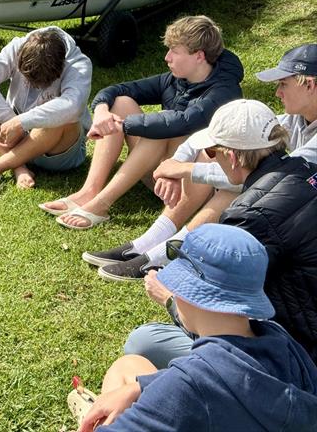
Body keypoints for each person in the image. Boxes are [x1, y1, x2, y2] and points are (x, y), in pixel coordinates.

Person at [88, 42, 317, 280]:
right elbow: (203, 136)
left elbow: (277, 179)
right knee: (213, 155)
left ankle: (165, 252)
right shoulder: (297, 119)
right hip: (289, 214)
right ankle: (151, 244)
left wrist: (185, 170)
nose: (277, 93)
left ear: (309, 85)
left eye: (283, 84)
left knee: (240, 179)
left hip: (300, 227)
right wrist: (175, 165)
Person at [123, 99, 317, 367]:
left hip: (295, 358)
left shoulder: (250, 217)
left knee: (144, 341)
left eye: (213, 153)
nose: (212, 159)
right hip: (302, 327)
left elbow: (220, 314)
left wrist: (168, 298)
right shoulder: (307, 172)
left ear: (234, 157)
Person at [71, 224, 317, 432]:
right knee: (128, 366)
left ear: (187, 292)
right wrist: (140, 387)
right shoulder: (280, 340)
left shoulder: (188, 384)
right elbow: (228, 375)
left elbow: (195, 383)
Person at [43, 15, 243, 230]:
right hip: (164, 177)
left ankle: (101, 204)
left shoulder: (223, 91)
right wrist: (101, 112)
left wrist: (123, 125)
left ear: (199, 56)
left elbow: (182, 122)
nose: (167, 57)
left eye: (175, 51)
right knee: (121, 103)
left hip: (195, 187)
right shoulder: (176, 79)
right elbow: (117, 90)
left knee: (159, 131)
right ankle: (89, 191)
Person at [0, 27, 92, 189]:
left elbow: (73, 106)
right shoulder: (17, 47)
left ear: (61, 66)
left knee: (64, 118)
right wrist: (12, 122)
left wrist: (21, 122)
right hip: (15, 136)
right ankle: (18, 166)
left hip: (58, 150)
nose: (35, 86)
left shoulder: (79, 64)